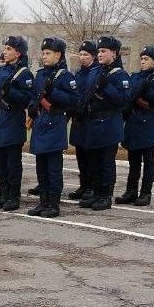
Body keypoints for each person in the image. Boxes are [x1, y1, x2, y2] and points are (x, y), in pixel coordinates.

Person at [78, 35, 131, 211]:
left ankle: (105, 196)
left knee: (106, 162)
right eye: (98, 51)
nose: (99, 54)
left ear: (114, 53)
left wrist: (106, 86)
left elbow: (123, 100)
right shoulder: (97, 71)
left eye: (103, 51)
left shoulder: (119, 74)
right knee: (94, 162)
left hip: (109, 123)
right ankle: (96, 192)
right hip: (93, 123)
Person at [116, 46, 154, 206]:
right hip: (133, 120)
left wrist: (147, 92)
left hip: (148, 120)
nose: (142, 61)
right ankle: (131, 191)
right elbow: (128, 95)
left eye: (146, 59)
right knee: (133, 160)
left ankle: (146, 193)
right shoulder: (135, 77)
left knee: (148, 161)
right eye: (141, 58)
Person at [26, 37, 78, 217]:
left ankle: (53, 204)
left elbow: (73, 101)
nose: (44, 56)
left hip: (55, 124)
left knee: (53, 169)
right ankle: (43, 201)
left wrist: (53, 93)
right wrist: (33, 106)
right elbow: (33, 95)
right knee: (41, 167)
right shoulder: (40, 74)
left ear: (58, 54)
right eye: (43, 53)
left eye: (48, 53)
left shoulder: (65, 76)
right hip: (41, 123)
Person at [0, 36, 34, 211]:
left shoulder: (24, 73)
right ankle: (4, 193)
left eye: (9, 49)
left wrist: (11, 92)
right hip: (0, 120)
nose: (5, 52)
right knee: (1, 163)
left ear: (18, 52)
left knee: (13, 163)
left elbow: (27, 100)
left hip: (13, 120)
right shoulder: (1, 71)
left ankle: (13, 197)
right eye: (5, 48)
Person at [66, 41, 102, 201]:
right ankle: (84, 185)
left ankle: (92, 187)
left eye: (86, 54)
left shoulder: (97, 72)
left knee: (91, 156)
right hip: (78, 119)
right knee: (80, 154)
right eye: (80, 54)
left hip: (90, 119)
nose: (82, 57)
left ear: (93, 56)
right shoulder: (79, 74)